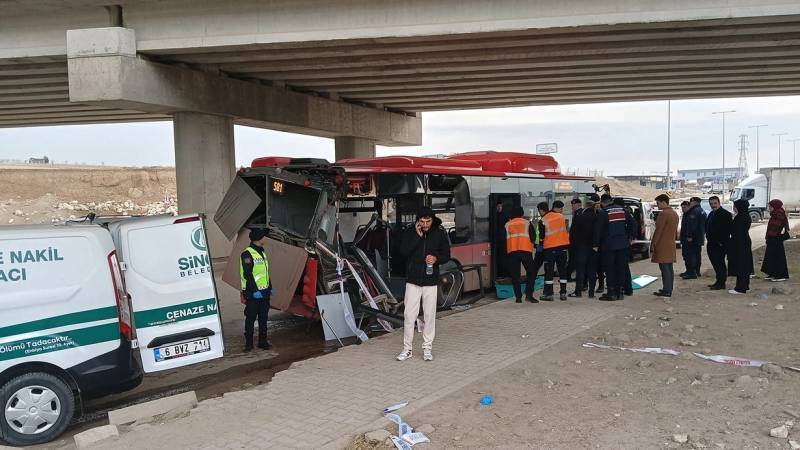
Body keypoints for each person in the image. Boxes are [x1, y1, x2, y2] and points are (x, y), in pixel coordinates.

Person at [396, 207, 451, 362]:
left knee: (429, 315)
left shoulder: (439, 233)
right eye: (422, 221)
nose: (425, 224)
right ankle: (407, 349)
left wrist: (436, 259)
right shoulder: (410, 232)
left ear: (432, 220)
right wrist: (418, 237)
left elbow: (447, 255)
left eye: (428, 221)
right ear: (417, 220)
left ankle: (427, 348)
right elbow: (403, 252)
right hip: (413, 281)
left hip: (431, 281)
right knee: (408, 315)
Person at [593, 194, 635, 301]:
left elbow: (598, 230)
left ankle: (611, 293)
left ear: (602, 203)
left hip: (609, 245)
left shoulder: (604, 212)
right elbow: (633, 224)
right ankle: (620, 292)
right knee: (620, 268)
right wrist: (630, 237)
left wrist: (595, 245)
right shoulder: (623, 210)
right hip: (623, 245)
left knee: (610, 268)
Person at [240, 228, 272, 352]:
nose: (266, 238)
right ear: (259, 238)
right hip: (253, 293)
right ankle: (248, 344)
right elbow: (247, 275)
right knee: (251, 318)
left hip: (264, 292)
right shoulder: (247, 254)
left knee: (263, 318)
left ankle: (263, 342)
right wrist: (254, 291)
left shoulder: (262, 252)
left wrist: (270, 287)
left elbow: (265, 272)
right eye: (264, 236)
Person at [505, 206, 538, 303]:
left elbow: (504, 239)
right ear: (522, 213)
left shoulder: (507, 224)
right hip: (525, 251)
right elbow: (533, 237)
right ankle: (529, 295)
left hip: (512, 252)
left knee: (515, 275)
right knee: (531, 273)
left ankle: (518, 297)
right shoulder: (527, 223)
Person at [540, 200, 571, 301]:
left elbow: (542, 236)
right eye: (561, 209)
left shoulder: (544, 219)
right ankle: (563, 293)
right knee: (562, 271)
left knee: (549, 272)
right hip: (562, 248)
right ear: (556, 208)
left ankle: (549, 294)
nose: (561, 211)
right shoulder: (561, 217)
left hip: (550, 248)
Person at [569, 195, 599, 298]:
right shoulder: (596, 217)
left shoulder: (580, 217)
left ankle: (578, 292)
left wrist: (574, 246)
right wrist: (596, 244)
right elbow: (598, 233)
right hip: (593, 248)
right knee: (592, 270)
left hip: (581, 247)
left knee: (580, 270)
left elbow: (573, 233)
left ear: (585, 207)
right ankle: (591, 293)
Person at [651, 194, 679, 297]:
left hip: (662, 244)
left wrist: (653, 244)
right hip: (670, 244)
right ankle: (668, 288)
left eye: (658, 203)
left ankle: (666, 290)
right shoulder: (674, 213)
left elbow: (658, 231)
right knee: (669, 268)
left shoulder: (663, 214)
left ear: (663, 202)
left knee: (664, 268)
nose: (657, 205)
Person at [705, 196, 732, 290]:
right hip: (711, 243)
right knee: (715, 263)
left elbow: (727, 230)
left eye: (715, 203)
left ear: (719, 203)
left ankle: (721, 282)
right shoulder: (712, 214)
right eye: (711, 204)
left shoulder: (725, 214)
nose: (713, 205)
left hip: (720, 244)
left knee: (719, 263)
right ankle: (718, 281)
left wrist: (720, 242)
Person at [762, 199, 791, 282]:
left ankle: (780, 275)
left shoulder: (778, 214)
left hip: (776, 239)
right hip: (773, 239)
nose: (769, 208)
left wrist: (770, 237)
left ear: (775, 206)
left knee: (778, 257)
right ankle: (773, 273)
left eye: (770, 206)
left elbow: (776, 228)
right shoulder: (775, 213)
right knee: (771, 256)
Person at [729, 199, 753, 295]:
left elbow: (737, 231)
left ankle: (740, 288)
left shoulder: (741, 217)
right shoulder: (744, 215)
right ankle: (744, 286)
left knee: (741, 265)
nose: (734, 208)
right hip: (743, 242)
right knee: (744, 265)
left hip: (740, 243)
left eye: (735, 206)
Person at [680, 197, 706, 279]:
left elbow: (692, 226)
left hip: (692, 238)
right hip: (698, 237)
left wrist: (690, 236)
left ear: (694, 202)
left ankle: (691, 272)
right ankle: (695, 271)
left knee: (690, 255)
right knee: (697, 255)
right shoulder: (701, 211)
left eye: (691, 202)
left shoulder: (694, 212)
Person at [565, 198, 584, 282]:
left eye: (573, 205)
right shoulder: (577, 213)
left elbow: (577, 229)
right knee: (573, 260)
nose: (572, 206)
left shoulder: (579, 213)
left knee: (573, 260)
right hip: (575, 241)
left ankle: (568, 276)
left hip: (575, 242)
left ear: (578, 204)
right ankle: (568, 276)